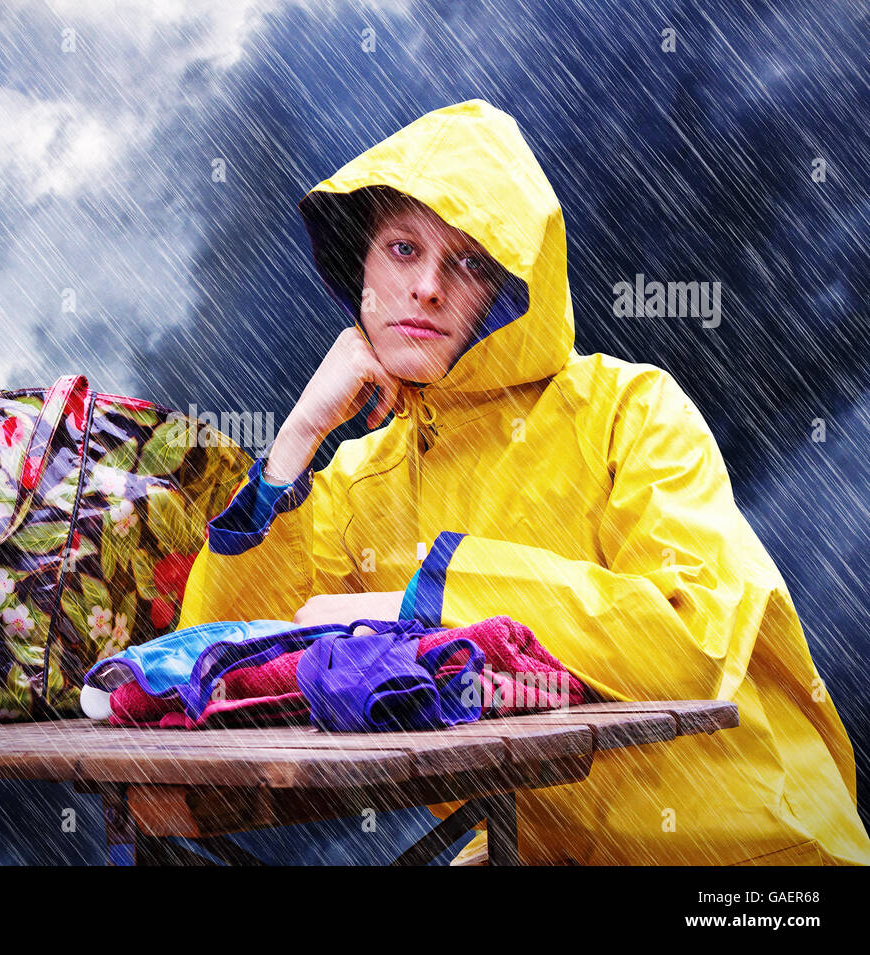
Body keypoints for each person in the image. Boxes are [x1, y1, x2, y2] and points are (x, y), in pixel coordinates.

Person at [175, 98, 870, 866]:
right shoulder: (356, 479)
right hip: (533, 847)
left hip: (756, 853)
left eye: (470, 262)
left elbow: (687, 640)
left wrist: (425, 603)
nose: (429, 287)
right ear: (360, 267)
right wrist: (292, 446)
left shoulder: (632, 410)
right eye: (403, 249)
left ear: (512, 289)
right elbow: (217, 673)